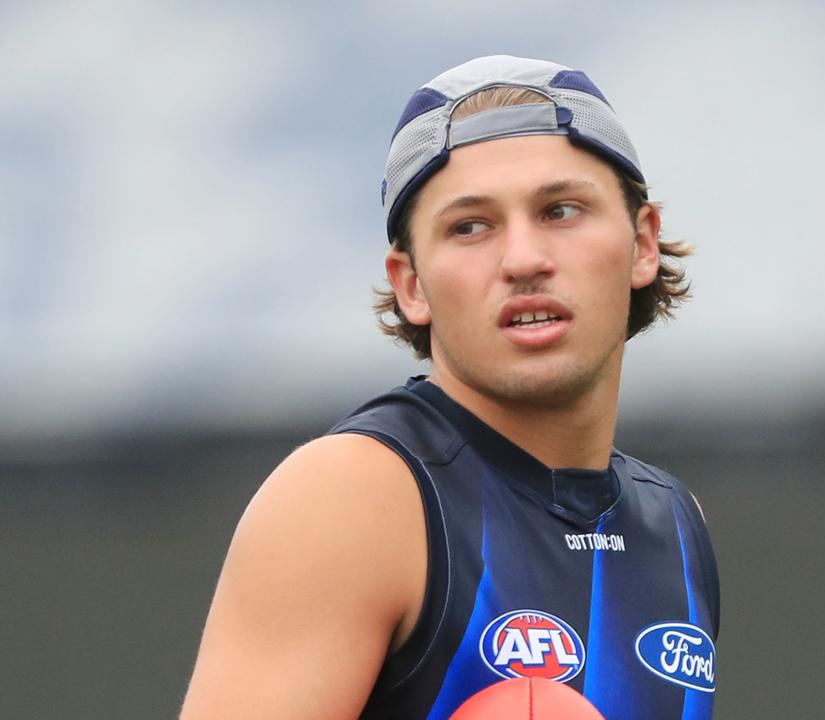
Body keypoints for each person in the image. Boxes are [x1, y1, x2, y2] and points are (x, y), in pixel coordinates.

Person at [180, 55, 719, 720]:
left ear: (642, 244)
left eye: (561, 210)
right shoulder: (353, 497)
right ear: (411, 285)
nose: (523, 259)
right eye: (470, 226)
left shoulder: (674, 520)